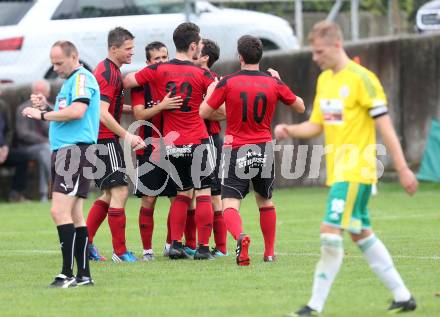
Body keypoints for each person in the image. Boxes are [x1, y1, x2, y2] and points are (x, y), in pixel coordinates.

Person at [274, 21, 418, 316]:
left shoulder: (362, 79)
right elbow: (316, 125)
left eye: (319, 51)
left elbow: (386, 126)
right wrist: (290, 129)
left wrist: (402, 168)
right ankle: (403, 296)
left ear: (337, 45)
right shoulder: (325, 80)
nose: (314, 57)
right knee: (360, 233)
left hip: (357, 170)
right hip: (340, 172)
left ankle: (313, 305)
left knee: (330, 232)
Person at [199, 35, 305, 266]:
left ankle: (240, 237)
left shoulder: (227, 82)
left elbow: (204, 113)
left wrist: (212, 92)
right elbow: (300, 106)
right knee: (265, 201)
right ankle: (269, 253)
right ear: (260, 57)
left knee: (230, 203)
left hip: (236, 148)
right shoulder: (273, 82)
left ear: (240, 56)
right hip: (264, 147)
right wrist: (281, 81)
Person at [124, 22, 217, 260]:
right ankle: (204, 248)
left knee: (182, 193)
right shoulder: (202, 73)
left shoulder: (159, 70)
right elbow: (219, 101)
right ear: (193, 45)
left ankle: (175, 245)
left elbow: (128, 81)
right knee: (203, 192)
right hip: (197, 140)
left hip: (172, 145)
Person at [22, 40, 100, 287]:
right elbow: (70, 114)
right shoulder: (72, 81)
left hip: (74, 152)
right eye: (52, 63)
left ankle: (67, 273)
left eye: (58, 62)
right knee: (75, 214)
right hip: (69, 151)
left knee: (59, 211)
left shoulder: (80, 79)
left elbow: (77, 112)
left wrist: (42, 114)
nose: (54, 68)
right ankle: (83, 275)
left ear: (74, 56)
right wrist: (48, 106)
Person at [86, 27, 145, 263]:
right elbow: (102, 113)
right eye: (128, 48)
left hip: (100, 139)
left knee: (109, 194)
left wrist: (138, 110)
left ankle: (84, 243)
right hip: (103, 139)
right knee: (119, 191)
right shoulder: (109, 74)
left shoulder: (108, 69)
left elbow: (107, 106)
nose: (132, 52)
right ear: (114, 49)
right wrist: (128, 136)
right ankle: (120, 252)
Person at [130, 41, 181, 261]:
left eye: (164, 57)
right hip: (149, 148)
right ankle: (147, 250)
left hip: (175, 147)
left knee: (175, 198)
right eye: (156, 59)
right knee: (149, 199)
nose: (161, 62)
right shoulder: (141, 84)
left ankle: (171, 244)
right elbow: (139, 115)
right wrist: (162, 106)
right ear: (148, 63)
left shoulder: (177, 80)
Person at [192, 38, 228, 257]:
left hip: (210, 139)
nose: (194, 48)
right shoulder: (190, 74)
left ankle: (221, 247)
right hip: (192, 140)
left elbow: (223, 112)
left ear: (205, 57)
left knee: (213, 194)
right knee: (189, 194)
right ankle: (190, 244)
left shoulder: (213, 79)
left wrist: (196, 112)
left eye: (198, 47)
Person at [15, 80, 52, 202]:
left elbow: (54, 129)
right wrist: (45, 141)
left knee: (44, 154)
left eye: (42, 92)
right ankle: (57, 182)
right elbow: (23, 133)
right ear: (32, 93)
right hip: (28, 148)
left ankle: (43, 195)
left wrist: (43, 113)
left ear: (48, 94)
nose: (39, 95)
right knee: (46, 149)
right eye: (37, 92)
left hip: (48, 148)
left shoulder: (51, 108)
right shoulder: (23, 108)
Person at [0, 97, 30, 202]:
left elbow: (9, 130)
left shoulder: (2, 105)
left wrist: (5, 148)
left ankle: (16, 194)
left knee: (23, 157)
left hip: (2, 151)